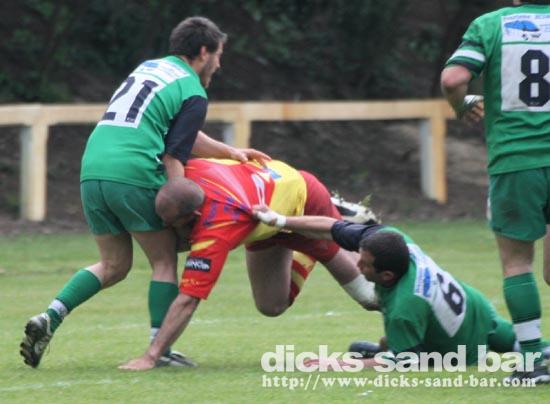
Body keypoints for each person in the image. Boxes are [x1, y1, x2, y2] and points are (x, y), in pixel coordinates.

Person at [20, 16, 269, 369]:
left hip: (92, 168)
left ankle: (51, 316)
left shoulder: (150, 68)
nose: (219, 64)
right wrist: (181, 205)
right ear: (203, 51)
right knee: (164, 261)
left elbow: (176, 131)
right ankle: (159, 349)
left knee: (113, 265)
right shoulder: (193, 91)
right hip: (133, 170)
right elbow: (174, 155)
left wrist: (230, 152)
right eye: (218, 55)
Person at [118, 158, 379, 370]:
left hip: (303, 201)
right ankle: (306, 251)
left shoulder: (217, 228)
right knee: (271, 306)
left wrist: (151, 356)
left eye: (173, 225)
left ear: (194, 215)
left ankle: (336, 226)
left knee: (369, 296)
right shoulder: (187, 171)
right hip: (263, 213)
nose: (167, 230)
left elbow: (188, 300)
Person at [252, 207, 550, 383]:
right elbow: (332, 227)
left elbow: (406, 363)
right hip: (478, 309)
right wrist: (280, 220)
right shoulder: (389, 240)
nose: (357, 265)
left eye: (364, 265)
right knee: (529, 344)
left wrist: (331, 364)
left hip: (461, 350)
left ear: (387, 277)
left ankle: (384, 347)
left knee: (399, 351)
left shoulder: (404, 307)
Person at [440, 0, 550, 382]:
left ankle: (532, 362)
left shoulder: (491, 25)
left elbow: (453, 80)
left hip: (516, 160)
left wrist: (461, 105)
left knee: (518, 262)